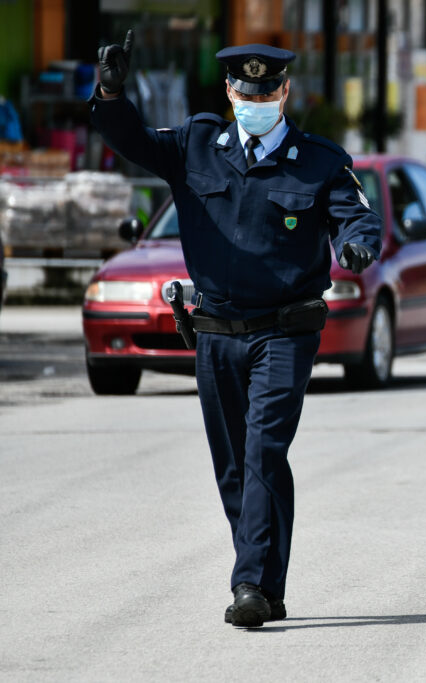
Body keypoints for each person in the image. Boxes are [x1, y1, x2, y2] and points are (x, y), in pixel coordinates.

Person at [91, 32, 382, 627]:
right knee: (234, 465)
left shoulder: (321, 161)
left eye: (268, 88)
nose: (257, 97)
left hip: (284, 329)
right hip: (217, 331)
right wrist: (111, 92)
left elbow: (358, 219)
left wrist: (355, 248)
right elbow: (131, 140)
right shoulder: (197, 144)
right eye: (247, 89)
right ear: (229, 91)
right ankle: (268, 585)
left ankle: (247, 582)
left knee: (263, 449)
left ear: (285, 90)